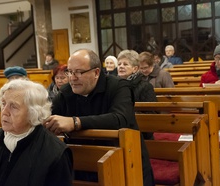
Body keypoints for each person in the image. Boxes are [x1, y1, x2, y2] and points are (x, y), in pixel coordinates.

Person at [43, 49, 155, 186]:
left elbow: (120, 119)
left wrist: (76, 122)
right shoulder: (66, 92)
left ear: (96, 72)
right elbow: (47, 116)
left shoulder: (118, 86)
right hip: (83, 165)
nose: (72, 78)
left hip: (126, 162)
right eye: (70, 72)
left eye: (79, 72)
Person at [0, 79, 73, 186]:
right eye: (3, 103)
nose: (4, 112)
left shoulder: (55, 153)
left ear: (33, 113)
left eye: (13, 106)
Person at [117, 49, 157, 139]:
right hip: (118, 130)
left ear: (135, 69)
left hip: (141, 133)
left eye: (125, 64)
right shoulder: (114, 85)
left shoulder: (146, 86)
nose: (121, 67)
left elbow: (152, 115)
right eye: (119, 64)